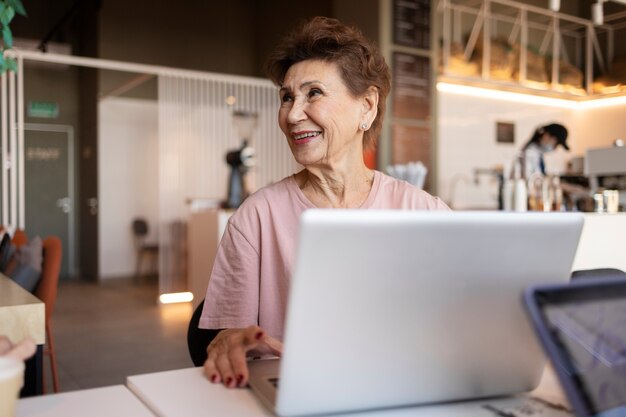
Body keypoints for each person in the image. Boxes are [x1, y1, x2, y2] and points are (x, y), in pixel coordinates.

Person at [199, 16, 450, 389]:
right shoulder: (256, 217)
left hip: (403, 388)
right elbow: (231, 336)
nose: (293, 114)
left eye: (313, 93)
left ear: (366, 107)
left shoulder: (425, 212)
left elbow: (456, 324)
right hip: (296, 390)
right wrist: (229, 342)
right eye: (287, 97)